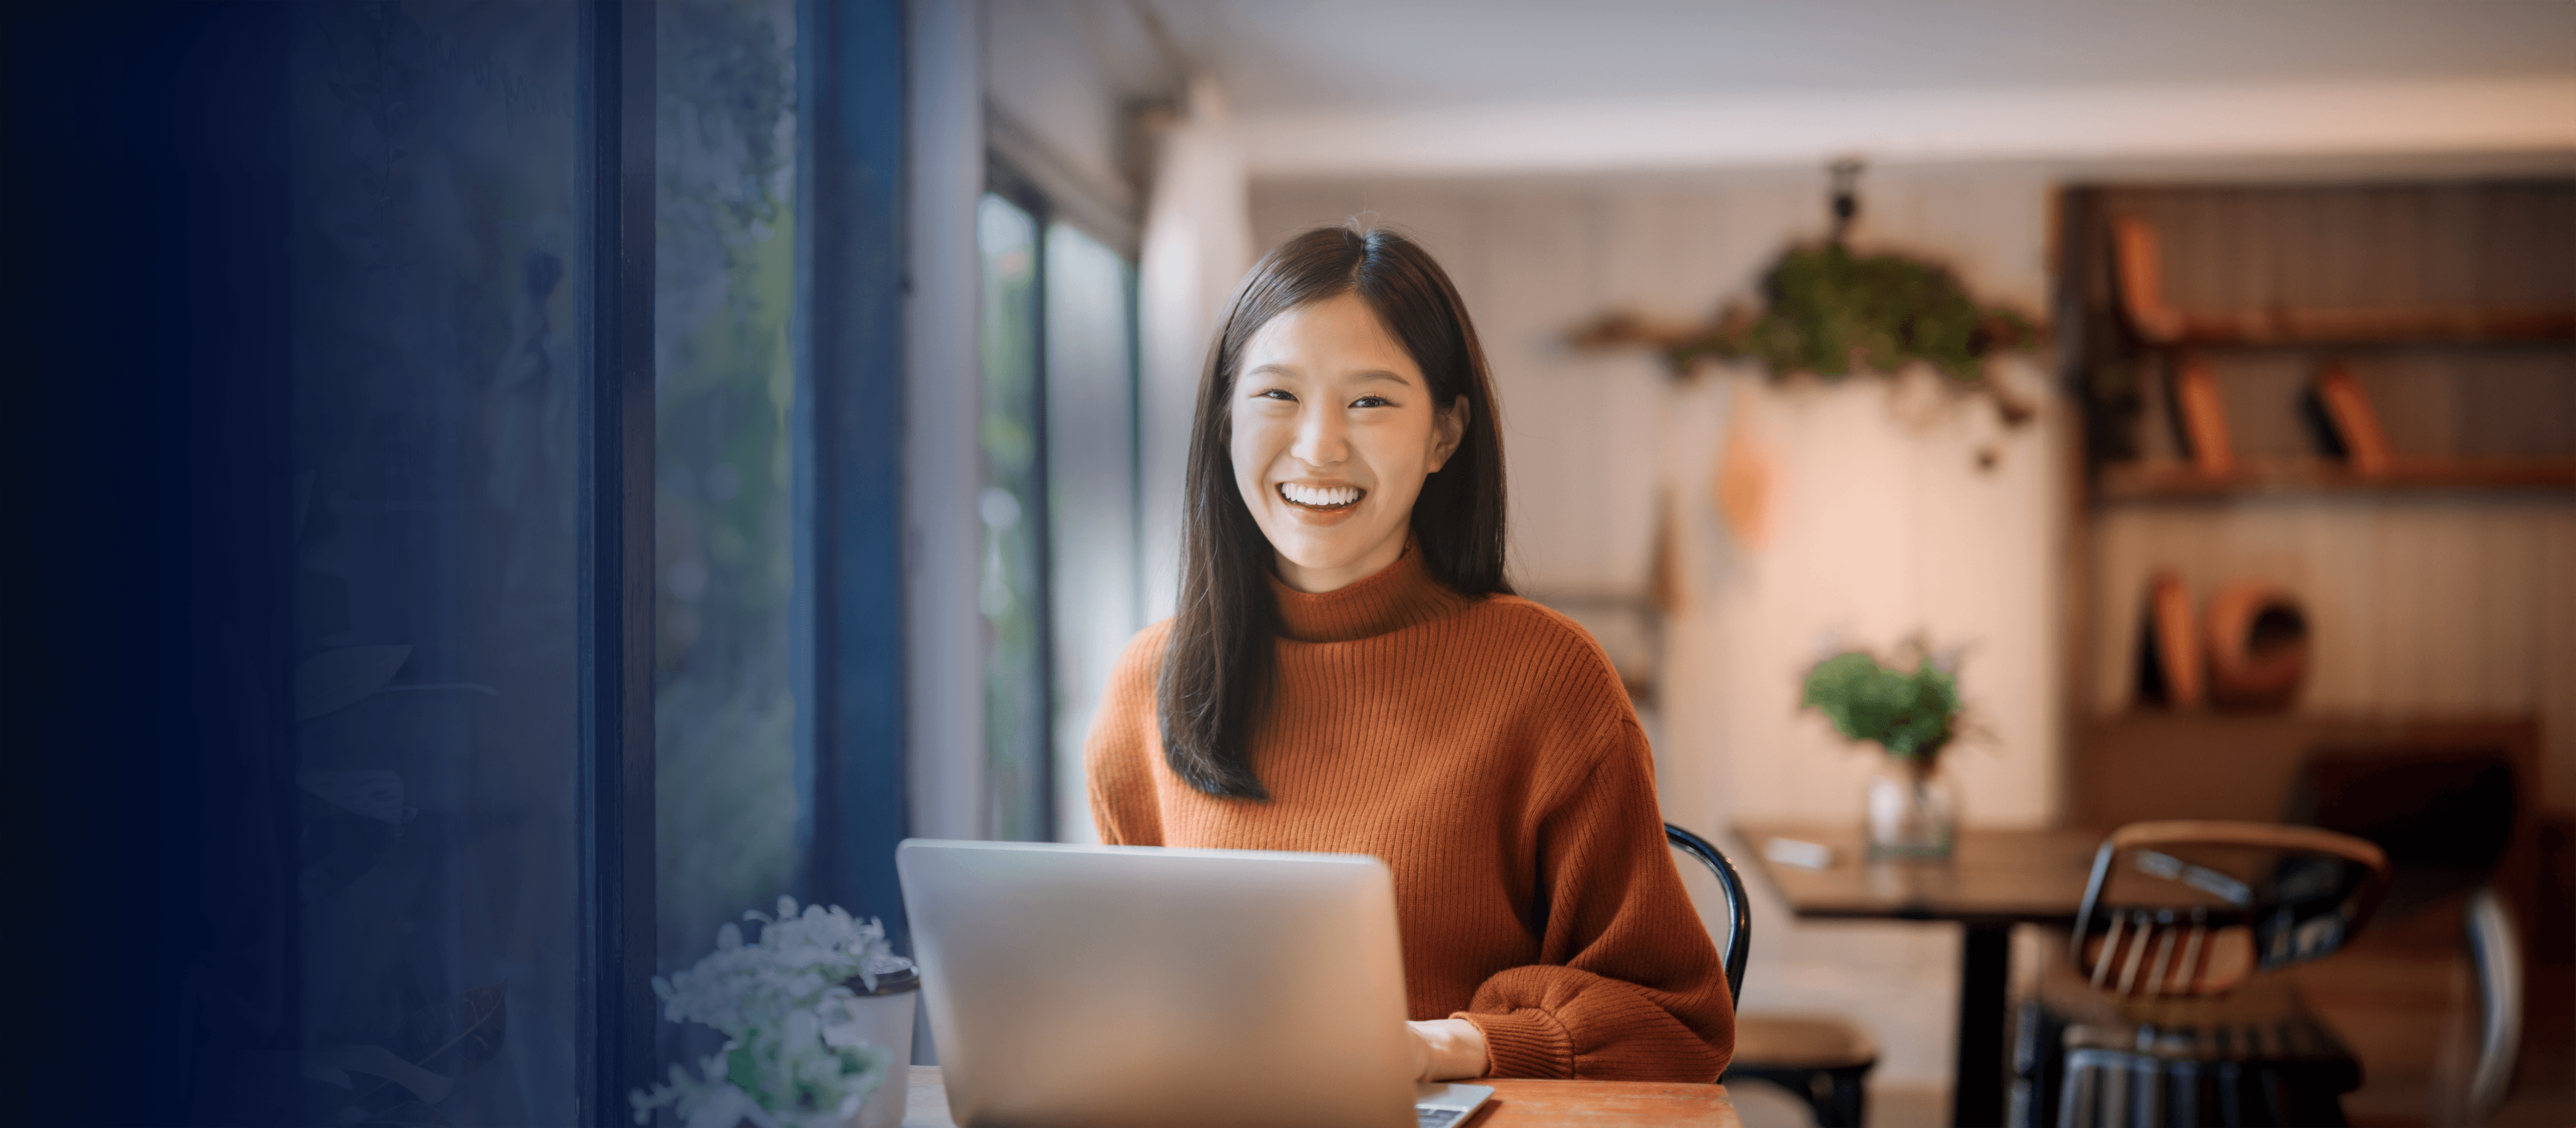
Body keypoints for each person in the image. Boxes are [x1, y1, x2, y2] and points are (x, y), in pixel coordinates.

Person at [1085, 223, 1734, 1084]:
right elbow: (1116, 984)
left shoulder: (1547, 678)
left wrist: (1456, 1044)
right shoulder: (1149, 682)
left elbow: (1677, 1019)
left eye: (1371, 401)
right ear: (1223, 421)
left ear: (1445, 434)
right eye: (1277, 395)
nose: (1319, 446)